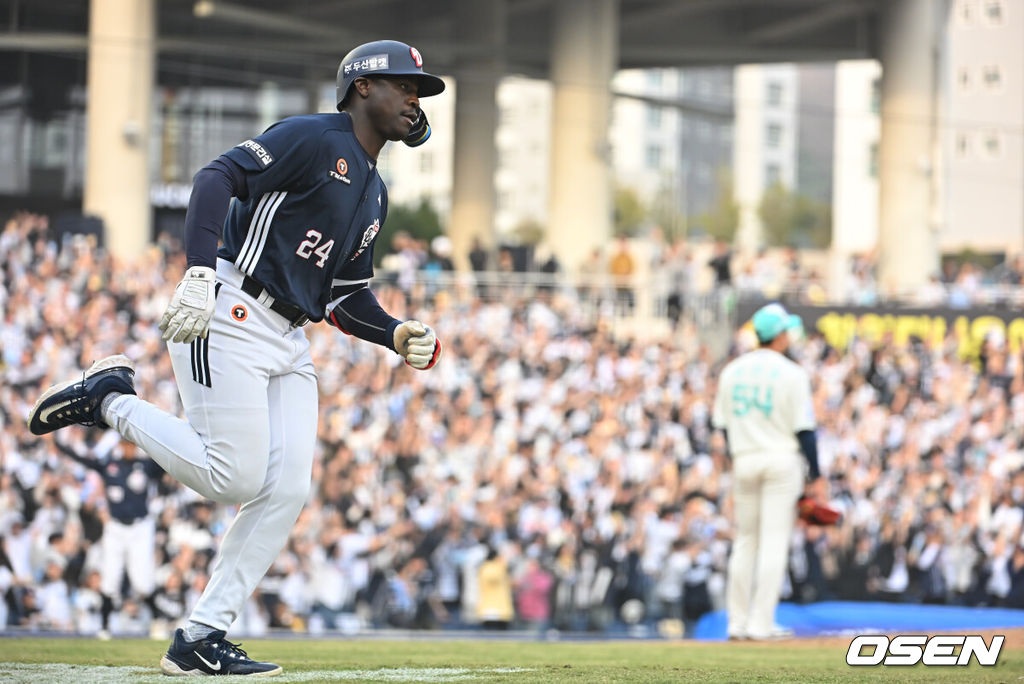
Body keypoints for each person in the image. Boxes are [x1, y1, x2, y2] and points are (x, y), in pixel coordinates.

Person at [27, 39, 444, 676]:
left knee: (287, 489)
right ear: (363, 87)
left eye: (419, 89)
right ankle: (109, 398)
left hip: (289, 336)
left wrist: (392, 332)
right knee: (236, 478)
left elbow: (342, 294)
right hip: (229, 308)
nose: (415, 98)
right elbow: (217, 175)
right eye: (404, 84)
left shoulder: (375, 191)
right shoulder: (313, 137)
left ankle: (200, 636)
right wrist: (197, 271)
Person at [712, 302, 823, 641]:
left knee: (746, 541)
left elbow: (723, 427)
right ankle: (761, 624)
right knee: (774, 542)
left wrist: (736, 458)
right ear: (779, 335)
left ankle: (737, 622)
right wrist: (816, 475)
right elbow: (805, 430)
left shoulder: (732, 370)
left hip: (744, 458)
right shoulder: (792, 372)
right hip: (780, 459)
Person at [53, 430, 164, 639]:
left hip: (140, 527)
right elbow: (84, 460)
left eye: (132, 444)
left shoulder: (147, 466)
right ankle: (104, 627)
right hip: (115, 526)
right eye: (125, 444)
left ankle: (158, 619)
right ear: (120, 445)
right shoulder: (110, 464)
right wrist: (59, 444)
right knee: (109, 578)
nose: (128, 448)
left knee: (142, 581)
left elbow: (170, 462)